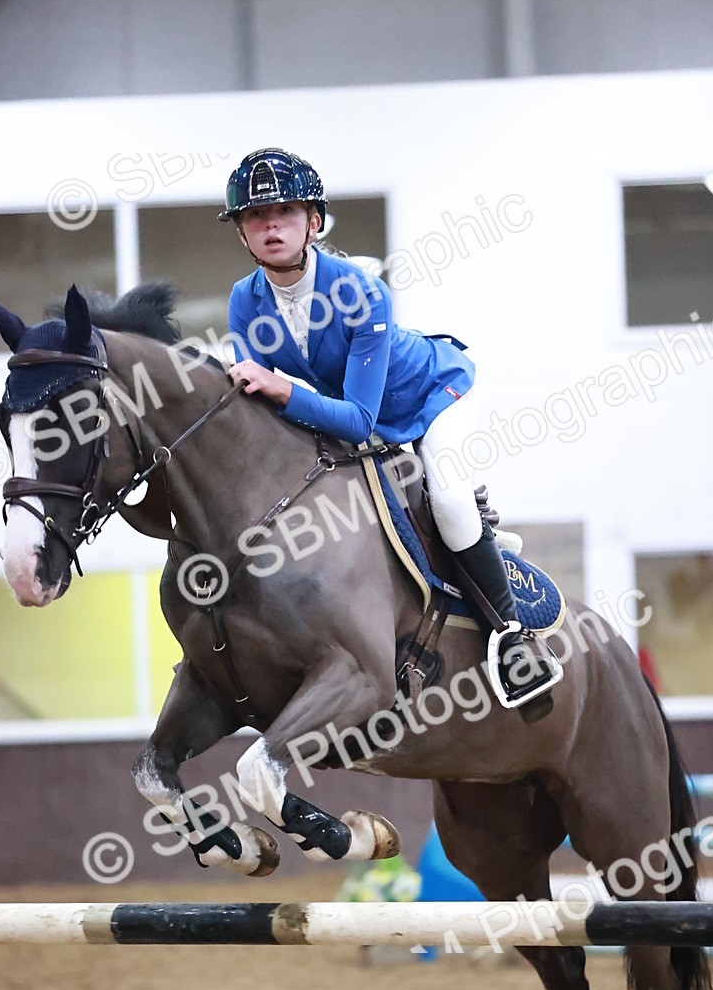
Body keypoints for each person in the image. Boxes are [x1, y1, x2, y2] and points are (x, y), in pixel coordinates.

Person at [221, 147, 558, 714]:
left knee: (449, 501)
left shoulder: (363, 291)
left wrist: (280, 389)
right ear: (242, 234)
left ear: (314, 221)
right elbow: (260, 415)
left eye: (284, 211)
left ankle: (511, 638)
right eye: (255, 216)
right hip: (343, 421)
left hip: (425, 401)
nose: (270, 225)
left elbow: (358, 421)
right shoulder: (242, 300)